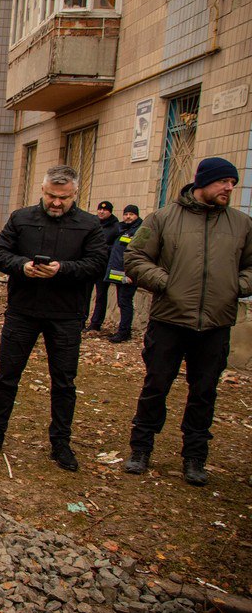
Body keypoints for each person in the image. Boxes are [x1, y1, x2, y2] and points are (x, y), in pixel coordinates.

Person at [122, 158, 252, 486]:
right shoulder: (163, 218)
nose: (229, 188)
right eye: (223, 181)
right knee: (156, 386)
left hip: (215, 325)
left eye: (233, 183)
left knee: (204, 392)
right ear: (203, 181)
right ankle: (141, 448)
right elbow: (135, 257)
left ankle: (195, 457)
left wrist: (237, 286)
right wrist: (165, 283)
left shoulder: (242, 224)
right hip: (169, 320)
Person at [0, 165, 107, 471]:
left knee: (64, 383)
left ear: (75, 194)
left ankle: (61, 443)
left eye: (64, 198)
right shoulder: (21, 218)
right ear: (42, 191)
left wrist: (63, 269)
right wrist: (22, 266)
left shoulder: (89, 225)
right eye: (51, 196)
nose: (56, 203)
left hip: (66, 315)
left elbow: (98, 264)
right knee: (7, 376)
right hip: (23, 311)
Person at [105, 205, 142, 343]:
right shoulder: (122, 229)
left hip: (130, 275)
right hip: (120, 274)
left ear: (137, 215)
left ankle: (124, 332)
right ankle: (123, 330)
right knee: (122, 302)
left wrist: (132, 273)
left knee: (125, 302)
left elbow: (138, 254)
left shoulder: (140, 231)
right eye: (126, 214)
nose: (128, 217)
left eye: (131, 214)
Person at [86, 200, 122, 332]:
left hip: (104, 266)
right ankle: (81, 320)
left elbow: (117, 247)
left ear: (110, 212)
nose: (101, 212)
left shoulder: (116, 227)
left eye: (105, 210)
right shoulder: (93, 224)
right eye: (100, 209)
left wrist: (104, 249)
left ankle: (96, 323)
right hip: (90, 264)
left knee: (101, 295)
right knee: (86, 294)